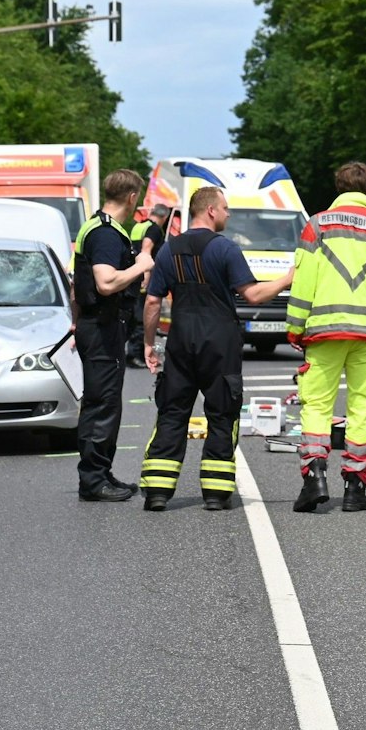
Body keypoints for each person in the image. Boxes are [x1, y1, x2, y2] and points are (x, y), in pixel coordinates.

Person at [139, 186, 293, 511]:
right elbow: (252, 295)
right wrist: (286, 279)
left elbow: (153, 301)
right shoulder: (225, 249)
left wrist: (149, 344)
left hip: (181, 340)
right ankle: (216, 493)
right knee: (222, 414)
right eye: (225, 208)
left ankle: (157, 491)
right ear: (210, 210)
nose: (228, 214)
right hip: (219, 341)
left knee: (172, 412)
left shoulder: (168, 250)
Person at [287, 161, 366, 513]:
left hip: (324, 330)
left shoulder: (317, 225)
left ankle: (315, 476)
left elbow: (304, 279)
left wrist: (295, 325)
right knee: (362, 410)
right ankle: (355, 488)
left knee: (317, 406)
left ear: (339, 187)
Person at [72, 169, 156, 502]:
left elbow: (79, 284)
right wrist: (141, 264)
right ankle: (93, 481)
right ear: (133, 197)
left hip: (98, 326)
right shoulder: (107, 234)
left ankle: (101, 472)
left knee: (105, 403)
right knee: (102, 405)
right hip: (103, 328)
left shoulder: (96, 226)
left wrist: (76, 320)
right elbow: (105, 283)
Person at [126, 205, 172, 369]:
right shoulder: (154, 229)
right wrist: (146, 274)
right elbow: (146, 250)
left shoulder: (138, 226)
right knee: (142, 317)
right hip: (144, 277)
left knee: (135, 315)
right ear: (165, 217)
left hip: (132, 275)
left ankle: (132, 352)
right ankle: (135, 355)